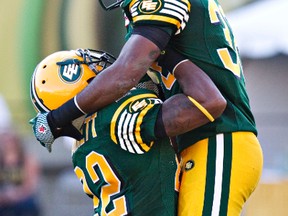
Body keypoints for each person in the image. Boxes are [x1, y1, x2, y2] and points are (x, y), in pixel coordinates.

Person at [30, 0, 263, 215]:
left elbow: (126, 71)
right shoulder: (117, 119)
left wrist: (57, 118)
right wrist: (59, 117)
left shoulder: (94, 134)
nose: (102, 67)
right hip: (211, 133)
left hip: (218, 136)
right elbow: (127, 73)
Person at [30, 48, 226, 215]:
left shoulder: (83, 142)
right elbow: (209, 102)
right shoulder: (118, 117)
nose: (102, 67)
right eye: (93, 68)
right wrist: (168, 54)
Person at [0, 131, 41, 216]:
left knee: (27, 205)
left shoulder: (28, 160)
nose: (8, 144)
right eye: (5, 141)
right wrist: (4, 196)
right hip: (2, 198)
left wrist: (16, 195)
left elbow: (31, 186)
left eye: (10, 141)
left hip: (23, 198)